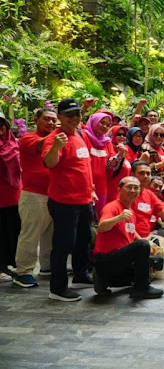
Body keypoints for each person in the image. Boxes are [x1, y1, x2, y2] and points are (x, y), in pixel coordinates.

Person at [42, 99, 97, 302]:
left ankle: (80, 275)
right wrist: (56, 146)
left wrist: (91, 190)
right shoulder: (55, 138)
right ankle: (57, 288)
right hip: (64, 201)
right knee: (64, 244)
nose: (74, 118)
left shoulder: (79, 135)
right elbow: (49, 163)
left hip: (84, 200)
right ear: (59, 117)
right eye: (69, 115)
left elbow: (83, 166)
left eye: (77, 114)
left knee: (83, 240)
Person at [93, 176, 164, 299]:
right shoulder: (112, 207)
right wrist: (118, 218)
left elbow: (132, 233)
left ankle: (103, 280)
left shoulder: (130, 212)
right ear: (119, 190)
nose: (132, 190)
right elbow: (101, 227)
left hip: (121, 261)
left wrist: (148, 244)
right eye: (129, 187)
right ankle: (141, 289)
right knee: (142, 247)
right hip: (107, 259)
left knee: (155, 261)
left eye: (136, 188)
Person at [13, 108, 57, 287]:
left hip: (54, 194)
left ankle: (47, 266)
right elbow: (41, 145)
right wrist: (61, 131)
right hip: (33, 194)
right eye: (47, 119)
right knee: (30, 235)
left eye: (54, 120)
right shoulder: (29, 138)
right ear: (35, 119)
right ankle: (23, 272)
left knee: (50, 235)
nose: (51, 123)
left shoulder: (56, 139)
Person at [0, 110, 22, 283]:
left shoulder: (13, 144)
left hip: (14, 197)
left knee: (12, 232)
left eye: (1, 125)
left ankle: (6, 265)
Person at [81, 112, 115, 216]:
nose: (104, 126)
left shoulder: (107, 142)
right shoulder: (84, 136)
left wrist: (120, 156)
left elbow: (111, 162)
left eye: (108, 125)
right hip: (85, 184)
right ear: (94, 122)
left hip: (102, 186)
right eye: (102, 123)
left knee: (99, 216)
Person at [106, 125, 132, 204]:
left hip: (123, 193)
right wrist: (120, 154)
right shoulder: (109, 149)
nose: (122, 137)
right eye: (118, 134)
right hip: (112, 192)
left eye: (124, 135)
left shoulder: (126, 150)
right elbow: (111, 167)